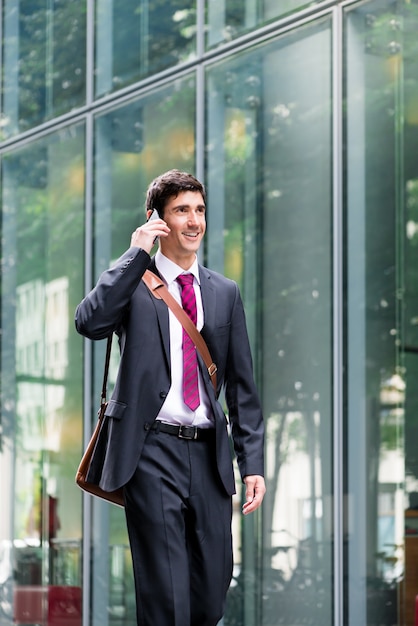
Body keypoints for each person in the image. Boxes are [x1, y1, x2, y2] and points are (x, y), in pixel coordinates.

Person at [75, 169, 266, 626]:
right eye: (182, 210)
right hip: (151, 451)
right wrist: (136, 252)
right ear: (157, 221)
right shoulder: (133, 283)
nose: (194, 221)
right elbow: (90, 322)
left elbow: (241, 386)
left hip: (208, 455)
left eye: (199, 210)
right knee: (165, 592)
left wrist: (252, 462)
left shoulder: (224, 292)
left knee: (212, 587)